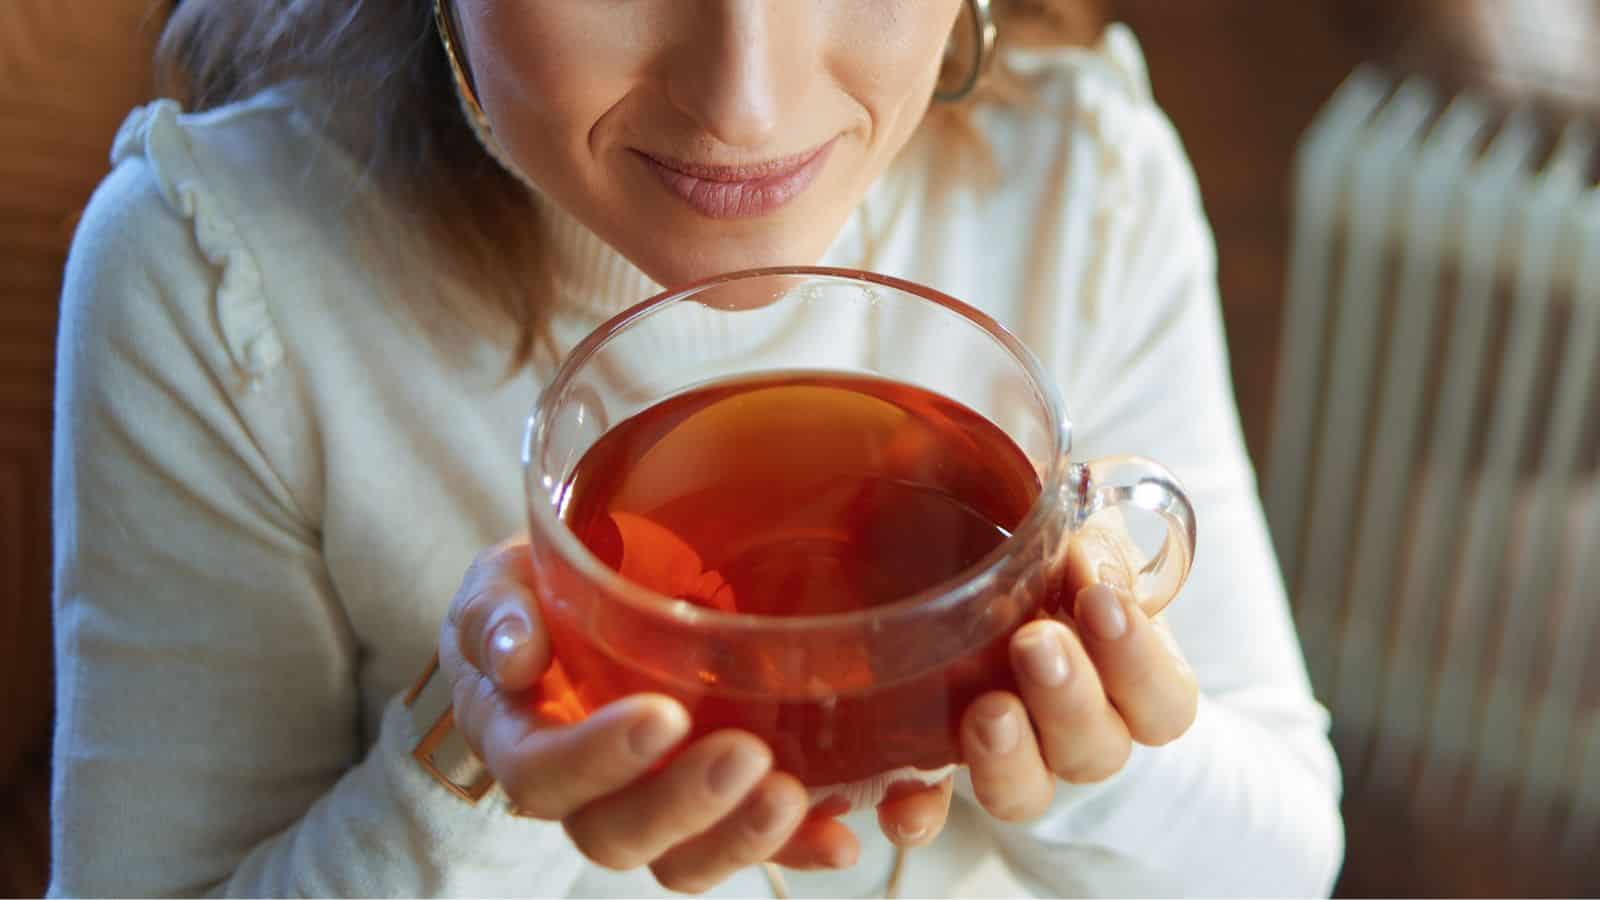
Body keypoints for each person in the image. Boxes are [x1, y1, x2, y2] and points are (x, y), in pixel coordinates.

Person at [49, 0, 1344, 896]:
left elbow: (1283, 859)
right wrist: (473, 767)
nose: (748, 103)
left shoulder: (1082, 187)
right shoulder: (216, 285)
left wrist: (1084, 754)